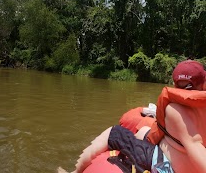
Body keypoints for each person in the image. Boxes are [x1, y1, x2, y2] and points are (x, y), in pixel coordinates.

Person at [57, 60, 206, 173]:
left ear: (174, 84)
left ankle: (75, 172)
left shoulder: (176, 110)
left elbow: (195, 147)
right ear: (204, 84)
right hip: (170, 152)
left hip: (166, 167)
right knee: (143, 132)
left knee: (114, 132)